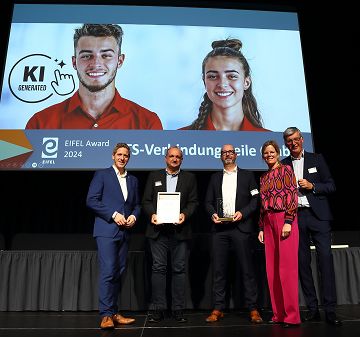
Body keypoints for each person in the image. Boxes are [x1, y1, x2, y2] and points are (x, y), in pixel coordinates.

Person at [26, 24, 162, 129]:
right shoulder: (40, 123)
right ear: (74, 62)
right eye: (86, 56)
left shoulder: (147, 123)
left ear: (120, 61)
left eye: (106, 55)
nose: (96, 63)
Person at [281, 127, 342, 326]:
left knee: (325, 262)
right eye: (289, 141)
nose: (294, 143)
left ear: (302, 140)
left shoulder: (317, 159)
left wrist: (313, 186)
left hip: (319, 218)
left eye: (296, 139)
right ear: (286, 144)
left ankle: (330, 310)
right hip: (296, 218)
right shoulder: (283, 165)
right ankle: (312, 309)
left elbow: (331, 185)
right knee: (302, 265)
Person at [204, 144, 263, 323]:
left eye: (230, 152)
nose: (228, 155)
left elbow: (255, 199)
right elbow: (207, 202)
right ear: (220, 156)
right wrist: (212, 213)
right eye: (224, 152)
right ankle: (218, 308)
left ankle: (253, 308)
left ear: (236, 155)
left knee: (247, 269)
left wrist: (243, 213)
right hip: (220, 230)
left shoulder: (248, 175)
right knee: (219, 271)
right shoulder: (214, 178)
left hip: (241, 228)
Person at [86, 142, 141, 329]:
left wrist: (134, 216)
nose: (122, 158)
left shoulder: (133, 180)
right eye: (119, 154)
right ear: (113, 156)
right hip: (106, 231)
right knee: (108, 271)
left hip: (125, 233)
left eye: (126, 155)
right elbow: (91, 200)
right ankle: (106, 315)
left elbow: (137, 205)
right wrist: (113, 214)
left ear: (129, 158)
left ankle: (115, 312)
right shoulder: (102, 174)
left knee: (119, 273)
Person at [142, 146, 198, 323]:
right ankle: (158, 309)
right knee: (158, 269)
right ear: (165, 158)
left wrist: (185, 214)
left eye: (178, 157)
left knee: (179, 270)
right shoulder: (154, 176)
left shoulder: (189, 178)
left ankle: (178, 310)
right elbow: (146, 201)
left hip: (179, 231)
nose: (174, 159)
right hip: (158, 232)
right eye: (171, 156)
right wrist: (152, 214)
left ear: (181, 160)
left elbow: (194, 202)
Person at [179, 38, 269, 131]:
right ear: (204, 82)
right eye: (213, 76)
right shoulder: (180, 138)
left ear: (246, 82)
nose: (222, 84)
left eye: (232, 76)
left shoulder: (271, 142)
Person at [258, 140, 301, 328]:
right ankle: (279, 314)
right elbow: (262, 205)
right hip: (268, 222)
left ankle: (292, 316)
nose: (269, 155)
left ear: (277, 152)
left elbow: (292, 195)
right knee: (272, 270)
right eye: (266, 153)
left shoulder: (286, 170)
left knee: (287, 269)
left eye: (272, 152)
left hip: (284, 219)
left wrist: (289, 221)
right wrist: (261, 227)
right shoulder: (264, 177)